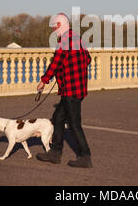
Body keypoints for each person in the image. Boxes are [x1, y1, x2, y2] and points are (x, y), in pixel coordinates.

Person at [36, 13, 92, 168]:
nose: (53, 29)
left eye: (54, 26)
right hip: (78, 88)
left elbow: (56, 63)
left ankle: (85, 156)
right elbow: (88, 59)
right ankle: (55, 153)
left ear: (60, 25)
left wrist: (43, 81)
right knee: (58, 119)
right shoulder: (77, 38)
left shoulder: (65, 40)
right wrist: (71, 69)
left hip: (70, 90)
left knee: (74, 125)